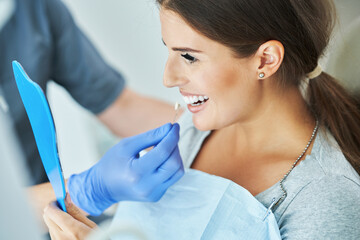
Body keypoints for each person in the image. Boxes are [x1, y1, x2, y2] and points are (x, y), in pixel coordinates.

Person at [42, 0, 360, 239]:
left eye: (189, 57)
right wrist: (87, 195)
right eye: (169, 51)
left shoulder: (327, 205)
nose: (167, 78)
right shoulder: (194, 131)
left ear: (265, 59)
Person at [0, 0, 175, 186]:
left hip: (50, 203)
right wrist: (84, 192)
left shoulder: (33, 8)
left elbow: (120, 106)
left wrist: (203, 132)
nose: (169, 78)